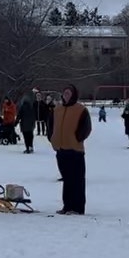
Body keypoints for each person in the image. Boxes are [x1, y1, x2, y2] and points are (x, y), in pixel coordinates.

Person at [50, 84, 92, 216]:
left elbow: (86, 128)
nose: (66, 95)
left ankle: (78, 207)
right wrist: (52, 138)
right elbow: (50, 125)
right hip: (61, 149)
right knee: (67, 179)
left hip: (75, 150)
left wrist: (77, 138)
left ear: (73, 95)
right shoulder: (57, 109)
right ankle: (67, 206)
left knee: (77, 180)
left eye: (69, 93)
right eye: (65, 93)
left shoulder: (81, 109)